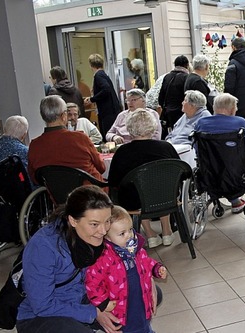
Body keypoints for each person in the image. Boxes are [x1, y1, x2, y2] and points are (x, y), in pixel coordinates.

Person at [16, 185, 120, 333]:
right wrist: (93, 313)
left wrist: (145, 281)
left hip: (83, 300)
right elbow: (42, 305)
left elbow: (128, 259)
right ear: (73, 220)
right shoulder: (43, 247)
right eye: (94, 224)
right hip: (40, 316)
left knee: (138, 304)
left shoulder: (96, 233)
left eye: (108, 221)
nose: (103, 231)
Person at [85, 206, 167, 333]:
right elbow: (93, 283)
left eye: (130, 230)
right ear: (108, 237)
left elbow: (147, 262)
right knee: (129, 328)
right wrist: (103, 303)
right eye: (122, 233)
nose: (129, 235)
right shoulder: (103, 259)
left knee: (143, 322)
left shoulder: (135, 249)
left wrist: (156, 268)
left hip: (139, 297)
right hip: (120, 308)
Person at [108, 109, 180, 248]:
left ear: (129, 128)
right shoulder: (166, 147)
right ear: (153, 127)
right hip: (166, 198)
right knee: (162, 185)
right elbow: (180, 173)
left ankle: (150, 233)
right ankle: (166, 230)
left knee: (136, 191)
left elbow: (114, 181)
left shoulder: (122, 152)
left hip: (135, 201)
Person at [195, 93, 245, 213]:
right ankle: (243, 200)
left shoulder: (201, 123)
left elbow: (197, 148)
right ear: (232, 109)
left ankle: (235, 201)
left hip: (210, 173)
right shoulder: (240, 123)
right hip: (238, 174)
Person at [28, 95, 105, 183]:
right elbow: (101, 167)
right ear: (64, 116)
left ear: (43, 117)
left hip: (57, 195)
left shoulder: (34, 146)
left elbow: (35, 179)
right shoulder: (80, 138)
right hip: (91, 193)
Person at [84, 53, 122, 139]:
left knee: (108, 135)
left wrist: (92, 99)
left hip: (107, 112)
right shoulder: (104, 74)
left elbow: (106, 89)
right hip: (112, 110)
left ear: (91, 65)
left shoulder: (98, 76)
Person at [159, 55, 190, 136]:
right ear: (187, 65)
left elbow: (161, 97)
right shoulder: (186, 78)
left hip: (168, 113)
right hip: (181, 113)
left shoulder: (167, 77)